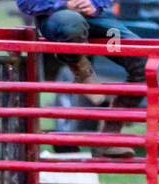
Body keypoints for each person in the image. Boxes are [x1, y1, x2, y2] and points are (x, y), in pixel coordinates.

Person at [16, 0, 146, 159]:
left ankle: (110, 136)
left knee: (140, 57)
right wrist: (64, 4)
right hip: (57, 18)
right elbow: (26, 3)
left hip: (96, 20)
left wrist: (94, 4)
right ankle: (81, 70)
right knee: (72, 23)